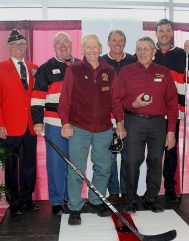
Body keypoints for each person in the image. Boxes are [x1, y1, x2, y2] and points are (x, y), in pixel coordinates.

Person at [112, 36, 178, 214]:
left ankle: (151, 198)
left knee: (156, 161)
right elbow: (117, 99)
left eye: (146, 49)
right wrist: (132, 105)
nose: (142, 52)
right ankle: (131, 199)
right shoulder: (126, 72)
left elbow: (172, 103)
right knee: (132, 161)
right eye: (139, 49)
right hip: (134, 121)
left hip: (158, 123)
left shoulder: (164, 72)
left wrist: (171, 130)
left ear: (154, 52)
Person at [58, 34, 116, 225]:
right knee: (76, 168)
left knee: (104, 168)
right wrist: (65, 122)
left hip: (104, 128)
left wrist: (121, 122)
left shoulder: (109, 70)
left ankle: (96, 200)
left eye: (95, 47)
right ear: (82, 50)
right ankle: (75, 207)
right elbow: (65, 98)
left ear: (100, 49)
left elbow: (115, 100)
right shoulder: (73, 69)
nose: (92, 51)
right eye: (88, 47)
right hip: (79, 127)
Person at [0, 29, 39, 215]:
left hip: (30, 126)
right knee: (11, 166)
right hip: (9, 127)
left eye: (22, 44)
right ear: (9, 47)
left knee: (29, 164)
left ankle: (26, 199)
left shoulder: (35, 67)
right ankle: (14, 201)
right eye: (15, 45)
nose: (19, 47)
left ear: (26, 47)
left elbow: (37, 97)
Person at [31, 32, 79, 215]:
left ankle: (71, 199)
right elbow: (37, 98)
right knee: (56, 164)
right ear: (54, 47)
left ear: (71, 44)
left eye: (66, 41)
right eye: (58, 43)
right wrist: (37, 122)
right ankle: (57, 202)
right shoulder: (45, 69)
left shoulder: (81, 66)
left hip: (78, 125)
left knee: (75, 164)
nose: (63, 45)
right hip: (54, 124)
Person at [154, 18, 189, 203]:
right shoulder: (148, 52)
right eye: (161, 31)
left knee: (171, 151)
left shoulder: (182, 54)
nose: (164, 34)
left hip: (174, 110)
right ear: (156, 33)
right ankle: (152, 189)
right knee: (155, 152)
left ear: (172, 33)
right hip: (153, 111)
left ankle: (170, 188)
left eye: (167, 30)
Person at [102, 30, 136, 201]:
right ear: (108, 42)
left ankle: (126, 190)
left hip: (129, 116)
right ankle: (113, 191)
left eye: (121, 40)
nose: (117, 43)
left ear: (125, 42)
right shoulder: (100, 61)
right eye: (114, 40)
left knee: (128, 156)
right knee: (110, 156)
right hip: (107, 117)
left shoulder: (133, 60)